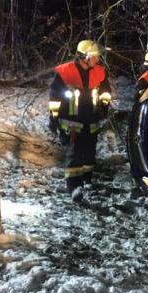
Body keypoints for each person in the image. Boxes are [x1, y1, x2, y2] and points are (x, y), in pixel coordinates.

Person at [48, 39, 112, 201]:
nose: (98, 59)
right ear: (84, 57)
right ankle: (73, 186)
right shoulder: (65, 72)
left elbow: (105, 92)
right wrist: (53, 117)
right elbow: (55, 97)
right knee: (74, 154)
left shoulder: (99, 72)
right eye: (95, 56)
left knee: (89, 152)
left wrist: (104, 106)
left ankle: (86, 181)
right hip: (71, 121)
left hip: (91, 120)